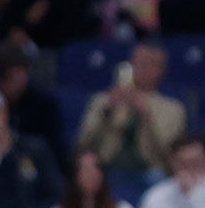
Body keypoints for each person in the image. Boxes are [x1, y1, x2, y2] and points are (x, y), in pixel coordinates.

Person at [76, 43, 187, 185]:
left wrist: (147, 116)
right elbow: (82, 144)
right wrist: (107, 112)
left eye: (151, 64)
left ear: (162, 71)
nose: (144, 69)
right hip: (106, 168)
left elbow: (168, 153)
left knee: (158, 178)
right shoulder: (102, 100)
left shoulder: (173, 109)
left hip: (151, 170)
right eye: (139, 63)